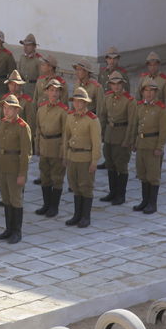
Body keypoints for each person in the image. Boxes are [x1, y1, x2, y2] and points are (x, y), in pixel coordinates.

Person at [0, 95, 31, 244]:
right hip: (3, 165)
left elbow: (26, 153)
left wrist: (22, 174)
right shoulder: (2, 123)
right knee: (6, 199)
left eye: (9, 108)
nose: (6, 111)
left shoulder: (22, 127)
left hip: (15, 167)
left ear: (16, 110)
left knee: (16, 199)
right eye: (5, 108)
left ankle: (17, 231)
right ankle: (8, 229)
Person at [129, 81, 166, 214]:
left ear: (156, 93)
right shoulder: (139, 106)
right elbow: (135, 125)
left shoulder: (161, 109)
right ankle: (144, 201)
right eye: (146, 90)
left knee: (153, 175)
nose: (149, 93)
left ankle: (152, 203)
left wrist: (160, 146)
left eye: (152, 91)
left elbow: (164, 130)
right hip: (141, 144)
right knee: (142, 174)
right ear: (142, 92)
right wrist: (133, 142)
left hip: (153, 146)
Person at [63, 87, 102, 228]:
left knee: (86, 187)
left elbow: (96, 142)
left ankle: (86, 216)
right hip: (72, 156)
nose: (77, 104)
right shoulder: (70, 116)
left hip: (85, 158)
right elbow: (66, 137)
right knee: (74, 186)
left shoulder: (92, 120)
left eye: (80, 101)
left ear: (86, 103)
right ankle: (77, 215)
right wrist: (65, 155)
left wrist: (94, 161)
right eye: (75, 101)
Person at [98, 72, 135, 205]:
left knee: (121, 166)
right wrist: (101, 133)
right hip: (109, 134)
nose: (116, 86)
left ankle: (121, 195)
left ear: (122, 84)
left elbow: (132, 122)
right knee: (110, 164)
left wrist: (128, 140)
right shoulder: (107, 97)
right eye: (113, 84)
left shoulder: (129, 101)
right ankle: (112, 192)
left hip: (121, 135)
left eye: (118, 83)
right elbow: (103, 116)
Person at [34, 80, 68, 218]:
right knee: (45, 176)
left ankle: (54, 206)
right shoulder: (41, 109)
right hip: (44, 146)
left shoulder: (63, 111)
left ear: (60, 93)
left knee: (57, 177)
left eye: (57, 90)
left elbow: (66, 133)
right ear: (46, 92)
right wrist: (37, 146)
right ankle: (46, 204)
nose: (54, 93)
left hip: (56, 146)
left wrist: (63, 151)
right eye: (51, 90)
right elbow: (38, 129)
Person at [139, 52, 166, 116]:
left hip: (158, 114)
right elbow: (138, 98)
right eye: (150, 65)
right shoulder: (143, 78)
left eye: (155, 65)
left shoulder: (165, 81)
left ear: (158, 65)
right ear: (147, 66)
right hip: (144, 113)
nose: (152, 67)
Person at [17, 34, 43, 99]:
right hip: (22, 89)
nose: (25, 47)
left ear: (34, 46)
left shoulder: (38, 60)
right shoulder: (22, 58)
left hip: (33, 89)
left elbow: (42, 78)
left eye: (28, 45)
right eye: (24, 45)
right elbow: (18, 73)